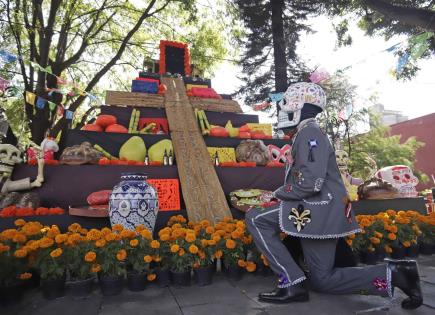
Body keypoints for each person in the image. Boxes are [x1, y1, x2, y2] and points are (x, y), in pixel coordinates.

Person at [245, 82, 423, 309]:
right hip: (320, 211)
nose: (282, 109)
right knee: (323, 279)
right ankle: (397, 274)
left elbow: (310, 183)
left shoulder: (309, 133)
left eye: (287, 104)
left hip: (316, 208)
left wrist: (277, 194)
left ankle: (290, 282)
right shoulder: (307, 133)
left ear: (300, 106)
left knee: (256, 218)